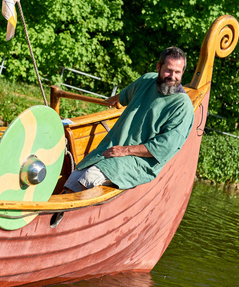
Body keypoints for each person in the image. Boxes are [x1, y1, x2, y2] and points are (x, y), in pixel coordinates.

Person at [64, 47, 194, 192]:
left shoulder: (183, 106)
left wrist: (125, 150)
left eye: (178, 72)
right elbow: (124, 95)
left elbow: (163, 148)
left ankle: (76, 212)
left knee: (90, 177)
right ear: (159, 67)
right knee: (74, 178)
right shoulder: (147, 80)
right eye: (168, 70)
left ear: (182, 73)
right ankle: (58, 213)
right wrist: (114, 99)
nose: (172, 76)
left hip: (141, 162)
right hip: (112, 148)